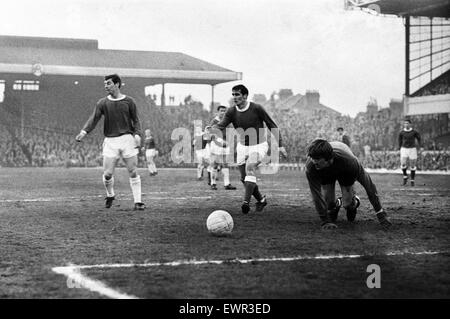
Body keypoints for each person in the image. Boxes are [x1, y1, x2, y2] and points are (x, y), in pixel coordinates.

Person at [212, 84, 287, 214]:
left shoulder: (256, 108)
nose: (235, 97)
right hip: (242, 147)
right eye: (233, 94)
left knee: (250, 167)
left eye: (237, 94)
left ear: (245, 96)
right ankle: (261, 199)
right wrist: (212, 130)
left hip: (259, 145)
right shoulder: (231, 111)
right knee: (244, 178)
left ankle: (245, 203)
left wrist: (280, 145)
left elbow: (271, 124)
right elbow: (222, 125)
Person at [75, 74, 145, 210]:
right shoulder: (102, 103)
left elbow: (136, 120)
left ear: (117, 84)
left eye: (108, 83)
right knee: (107, 174)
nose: (105, 86)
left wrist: (137, 134)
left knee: (133, 171)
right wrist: (84, 132)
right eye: (105, 83)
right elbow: (94, 119)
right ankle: (110, 194)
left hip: (127, 140)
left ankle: (138, 202)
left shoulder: (129, 101)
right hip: (110, 141)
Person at [305, 139, 391, 230]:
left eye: (317, 159)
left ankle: (354, 201)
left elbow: (368, 185)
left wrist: (380, 212)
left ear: (327, 158)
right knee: (329, 203)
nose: (314, 161)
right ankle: (336, 204)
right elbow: (316, 194)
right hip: (326, 172)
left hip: (344, 171)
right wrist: (325, 221)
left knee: (348, 204)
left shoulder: (349, 161)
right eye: (312, 158)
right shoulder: (311, 166)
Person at [207, 105, 237, 190]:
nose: (223, 112)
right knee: (215, 164)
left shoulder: (226, 121)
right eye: (221, 111)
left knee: (225, 164)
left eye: (224, 111)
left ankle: (227, 184)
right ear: (218, 112)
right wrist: (219, 141)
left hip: (225, 144)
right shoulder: (214, 121)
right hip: (217, 144)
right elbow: (211, 133)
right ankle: (213, 183)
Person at [398, 118, 421, 186]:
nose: (406, 124)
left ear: (410, 124)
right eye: (405, 123)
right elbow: (399, 141)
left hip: (412, 149)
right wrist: (399, 148)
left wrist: (420, 146)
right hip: (404, 149)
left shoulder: (414, 132)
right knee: (403, 163)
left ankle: (412, 180)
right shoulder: (401, 132)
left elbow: (419, 138)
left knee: (412, 165)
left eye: (407, 123)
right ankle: (405, 176)